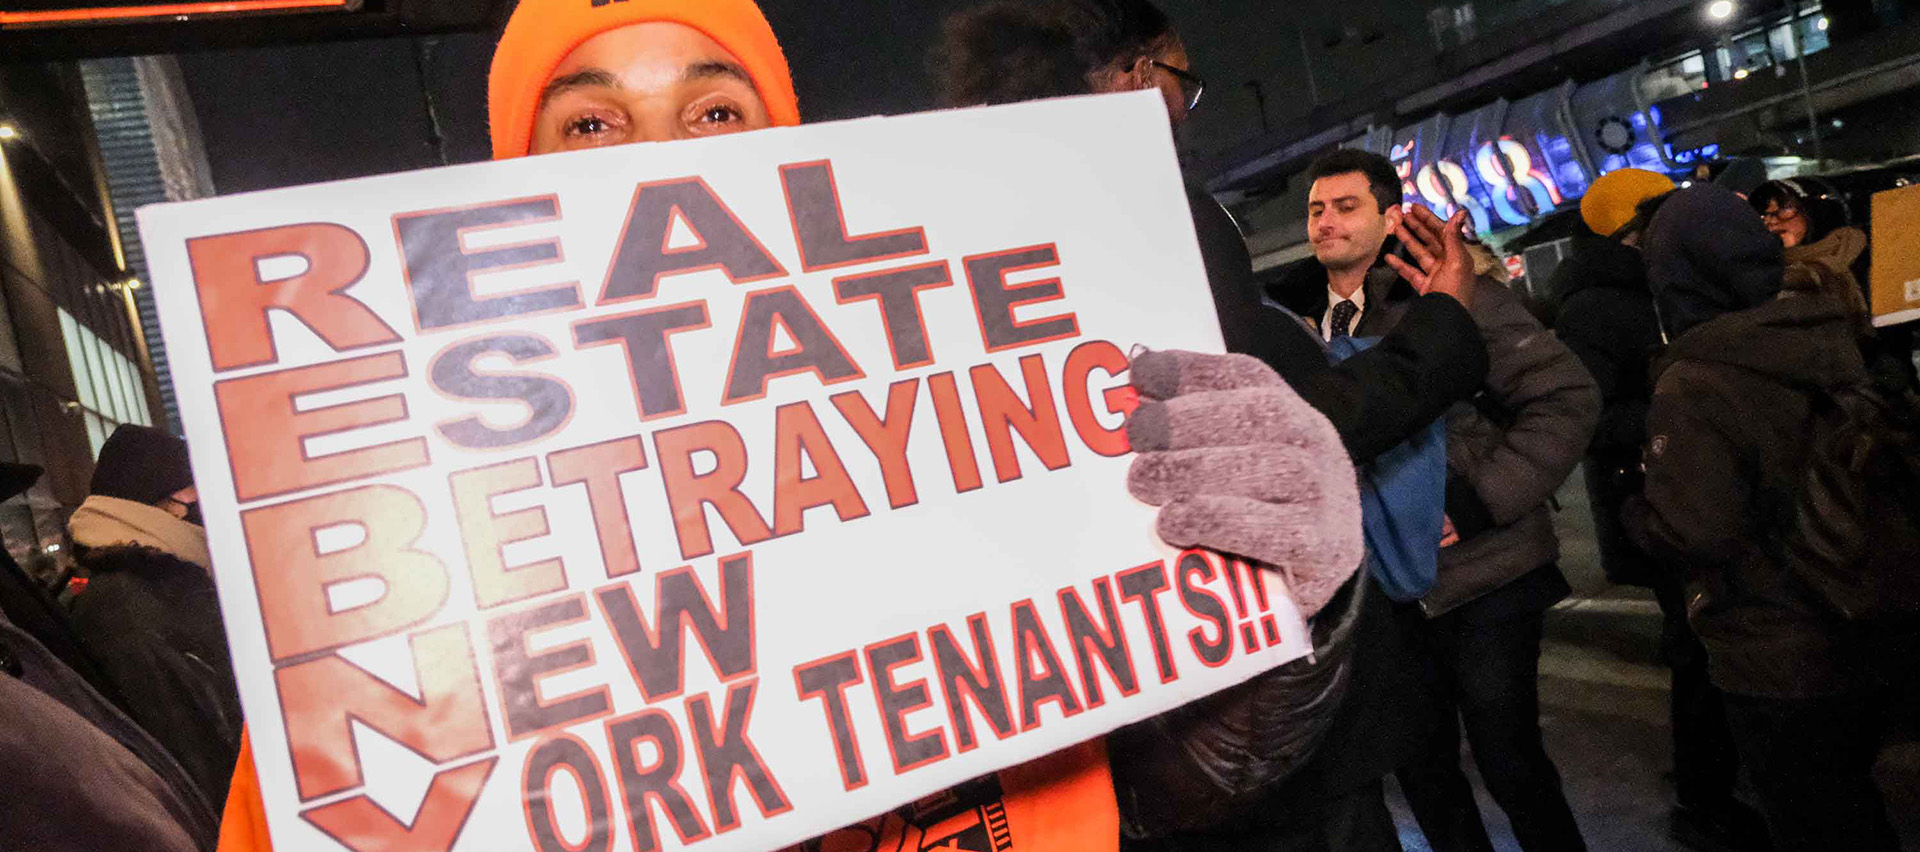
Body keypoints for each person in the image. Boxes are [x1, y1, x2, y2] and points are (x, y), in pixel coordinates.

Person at [936, 4, 1495, 850]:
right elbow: (1264, 437)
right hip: (1250, 694)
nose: (1183, 110)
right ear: (1131, 75)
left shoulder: (992, 220)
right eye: (1179, 82)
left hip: (1143, 694)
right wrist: (1445, 327)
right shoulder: (1139, 214)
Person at [1269, 149, 1598, 852]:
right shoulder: (1301, 330)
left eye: (1346, 206)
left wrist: (1478, 506)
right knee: (1424, 776)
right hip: (1385, 598)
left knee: (1511, 761)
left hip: (1487, 573)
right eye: (1316, 209)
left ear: (1390, 217)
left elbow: (1565, 398)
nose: (1325, 223)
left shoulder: (1451, 296)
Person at [1626, 185, 1903, 852]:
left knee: (1815, 820)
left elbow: (1699, 530)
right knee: (1853, 801)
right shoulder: (1827, 325)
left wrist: (1636, 504)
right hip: (1865, 609)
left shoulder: (1696, 378)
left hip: (1773, 647)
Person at [1553, 170, 1764, 852]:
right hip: (1658, 496)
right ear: (1630, 231)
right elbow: (1587, 416)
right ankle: (1705, 798)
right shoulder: (1593, 308)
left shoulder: (1660, 285)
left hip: (1701, 481)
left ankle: (1727, 775)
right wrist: (1676, 409)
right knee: (1697, 648)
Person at [65, 424, 241, 808]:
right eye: (194, 498)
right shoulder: (125, 609)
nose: (204, 514)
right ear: (157, 504)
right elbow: (190, 762)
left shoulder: (163, 584)